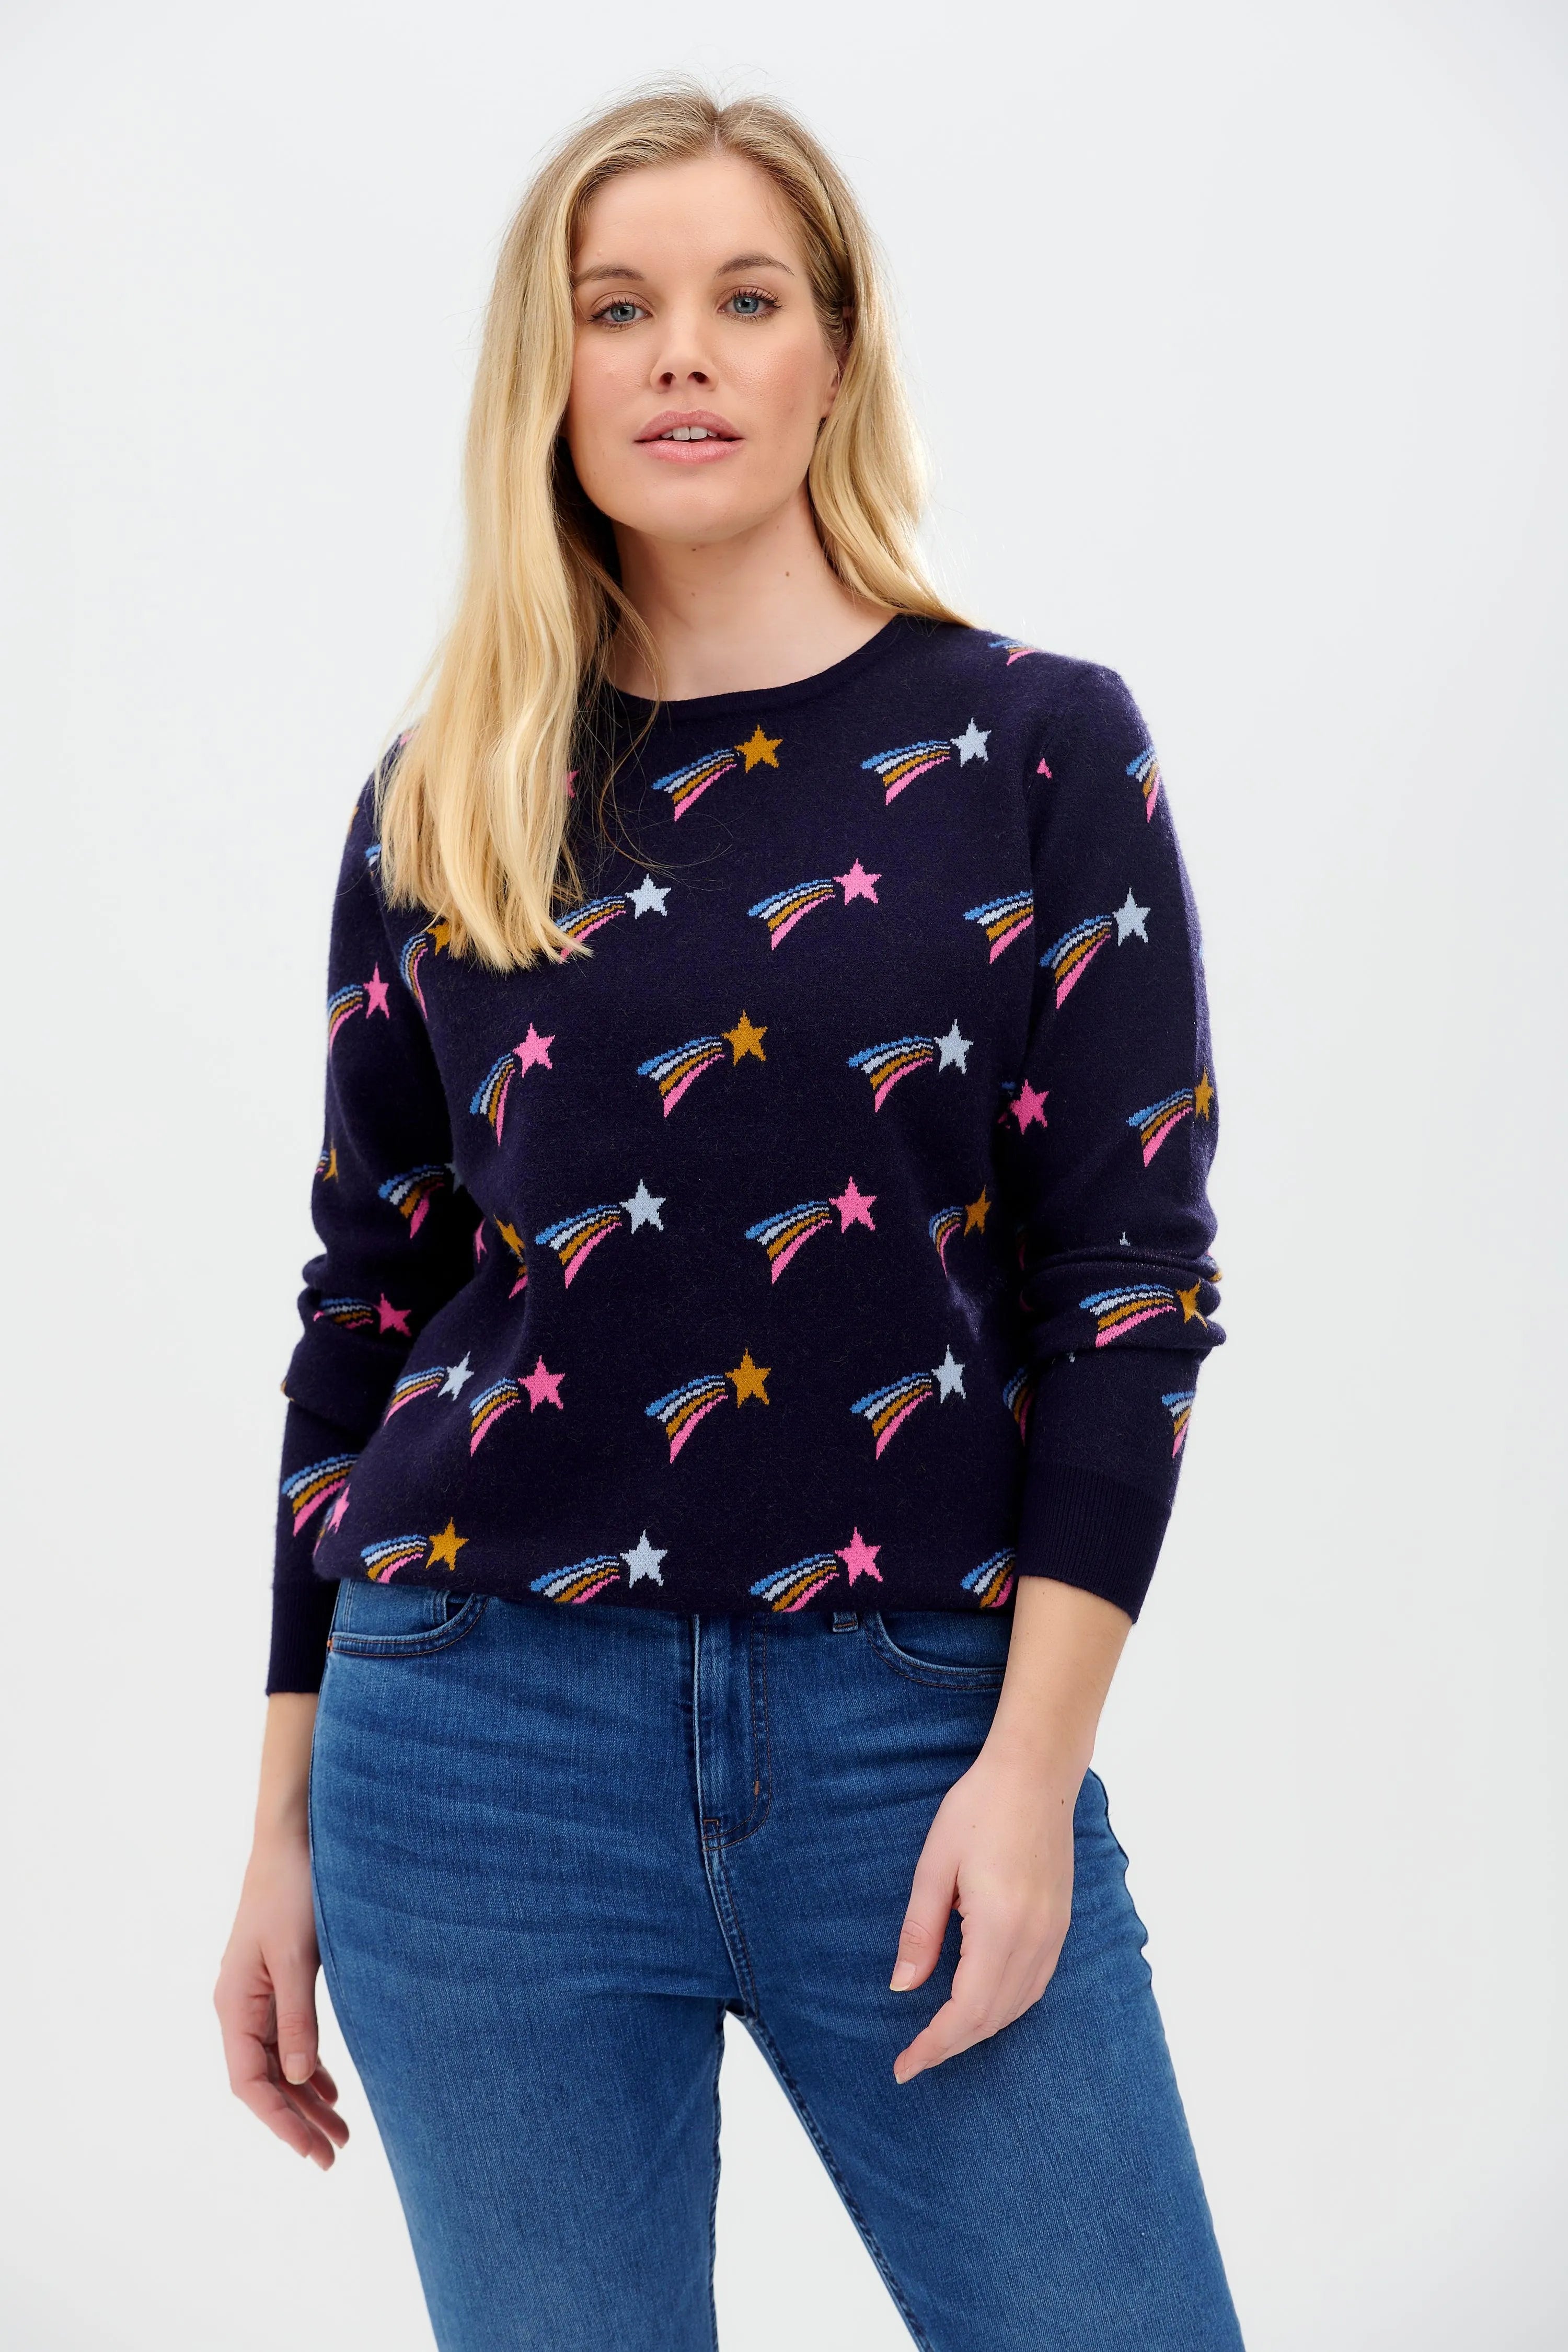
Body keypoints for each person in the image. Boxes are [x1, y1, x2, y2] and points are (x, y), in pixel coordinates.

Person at [214, 78, 1246, 2352]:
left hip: (918, 1723)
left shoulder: (1038, 750)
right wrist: (278, 1824)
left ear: (834, 355)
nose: (681, 351)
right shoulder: (448, 796)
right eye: (618, 308)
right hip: (469, 1741)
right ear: (550, 374)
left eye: (745, 299)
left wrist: (1034, 1769)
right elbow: (362, 1306)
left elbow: (1130, 1293)